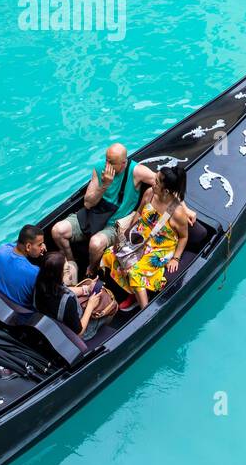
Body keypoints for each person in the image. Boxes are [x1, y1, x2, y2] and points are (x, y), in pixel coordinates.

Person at [52, 144, 156, 277]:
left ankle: (92, 269)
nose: (107, 165)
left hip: (114, 225)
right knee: (57, 231)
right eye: (106, 160)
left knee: (95, 244)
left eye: (111, 163)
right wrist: (105, 185)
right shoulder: (100, 168)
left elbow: (163, 183)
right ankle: (72, 262)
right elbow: (88, 203)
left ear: (123, 163)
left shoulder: (136, 171)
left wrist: (184, 208)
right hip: (93, 214)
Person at [100, 164, 192, 311]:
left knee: (134, 271)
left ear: (166, 191)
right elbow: (139, 212)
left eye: (156, 181)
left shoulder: (178, 213)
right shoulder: (150, 193)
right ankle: (132, 291)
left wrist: (176, 258)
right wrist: (128, 233)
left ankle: (145, 310)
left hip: (160, 247)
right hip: (140, 238)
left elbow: (183, 237)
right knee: (110, 254)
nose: (152, 183)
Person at [33, 252, 102, 337]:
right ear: (57, 275)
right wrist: (90, 306)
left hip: (52, 326)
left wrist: (86, 289)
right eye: (66, 270)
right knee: (110, 307)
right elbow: (79, 333)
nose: (69, 271)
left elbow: (63, 289)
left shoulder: (40, 284)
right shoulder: (68, 301)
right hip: (75, 336)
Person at [0, 224, 46, 312]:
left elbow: (14, 246)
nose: (42, 247)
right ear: (28, 247)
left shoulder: (2, 249)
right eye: (39, 245)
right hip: (21, 314)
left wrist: (38, 247)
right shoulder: (35, 272)